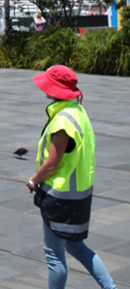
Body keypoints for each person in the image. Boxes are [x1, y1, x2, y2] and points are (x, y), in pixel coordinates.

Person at [26, 65, 116, 289]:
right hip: (80, 195)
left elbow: (52, 164)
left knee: (54, 255)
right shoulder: (78, 112)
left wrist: (33, 180)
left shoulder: (63, 121)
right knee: (76, 247)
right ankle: (111, 287)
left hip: (61, 196)